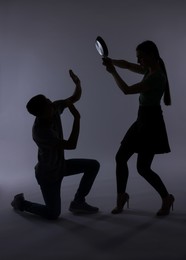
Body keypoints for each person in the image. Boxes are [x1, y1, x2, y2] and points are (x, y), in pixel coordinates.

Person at [11, 70, 100, 220]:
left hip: (61, 166)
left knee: (93, 165)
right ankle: (21, 202)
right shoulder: (41, 132)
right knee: (53, 213)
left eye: (48, 100)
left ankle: (78, 202)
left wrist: (78, 83)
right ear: (40, 113)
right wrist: (77, 119)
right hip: (48, 175)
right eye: (47, 104)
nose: (51, 103)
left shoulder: (53, 109)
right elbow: (71, 145)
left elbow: (74, 97)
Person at [102, 40, 174, 216]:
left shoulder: (157, 77)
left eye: (141, 57)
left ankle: (166, 198)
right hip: (142, 120)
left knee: (143, 168)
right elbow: (127, 65)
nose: (139, 60)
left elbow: (126, 90)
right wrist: (111, 61)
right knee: (121, 158)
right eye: (138, 57)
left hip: (152, 124)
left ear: (152, 56)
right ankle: (121, 196)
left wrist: (112, 72)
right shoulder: (149, 69)